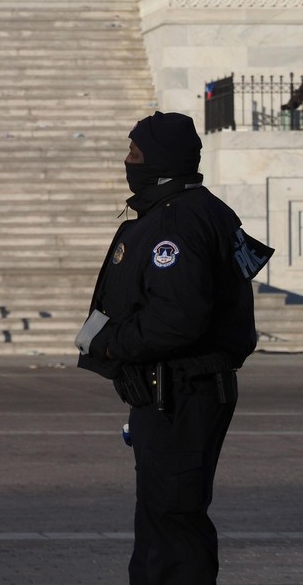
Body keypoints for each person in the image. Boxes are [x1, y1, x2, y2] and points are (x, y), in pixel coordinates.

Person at [74, 112, 273, 585]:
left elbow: (177, 319)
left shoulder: (178, 221)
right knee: (162, 517)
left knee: (174, 519)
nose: (127, 161)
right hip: (167, 391)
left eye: (135, 152)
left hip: (181, 390)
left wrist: (107, 344)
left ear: (161, 159)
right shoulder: (182, 210)